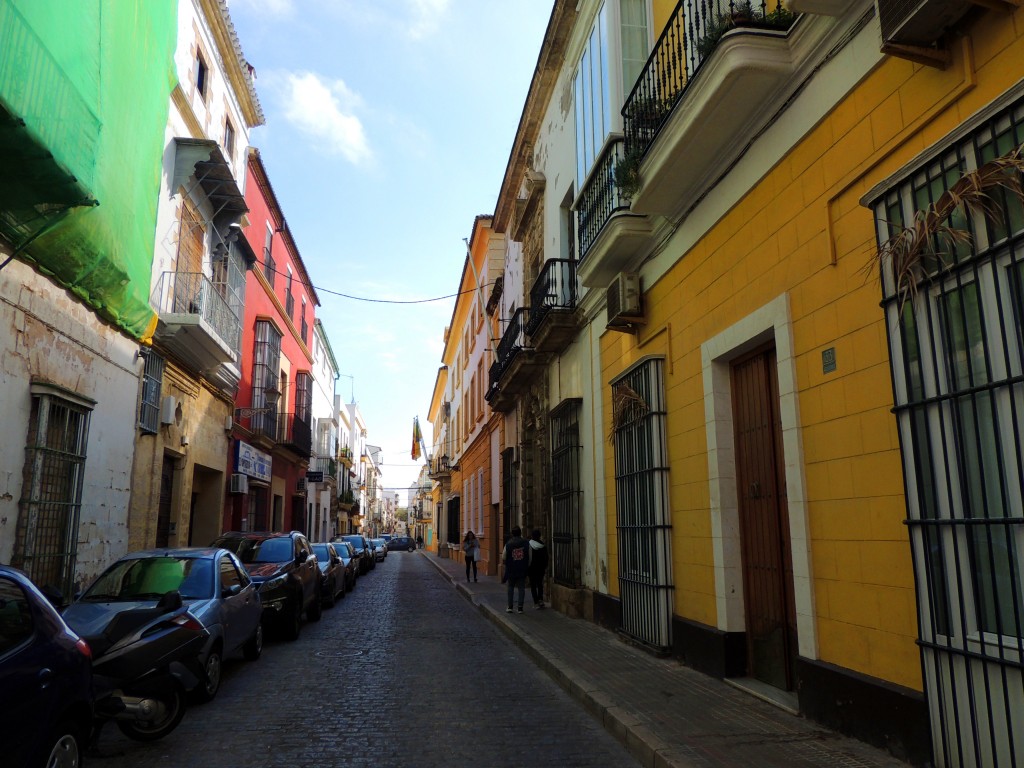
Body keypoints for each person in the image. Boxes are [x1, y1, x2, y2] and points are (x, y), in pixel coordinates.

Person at [501, 526, 530, 614]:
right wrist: (526, 565)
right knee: (521, 587)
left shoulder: (508, 544)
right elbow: (530, 556)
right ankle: (520, 607)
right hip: (522, 568)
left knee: (510, 587)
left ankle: (510, 606)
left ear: (512, 534)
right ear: (520, 533)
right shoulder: (526, 543)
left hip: (511, 568)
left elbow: (504, 556)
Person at [528, 528, 548, 609]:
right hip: (540, 569)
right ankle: (541, 600)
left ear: (532, 536)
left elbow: (528, 557)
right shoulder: (543, 545)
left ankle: (535, 602)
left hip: (531, 569)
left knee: (533, 585)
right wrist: (544, 566)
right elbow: (546, 558)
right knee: (540, 584)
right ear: (539, 536)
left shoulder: (529, 544)